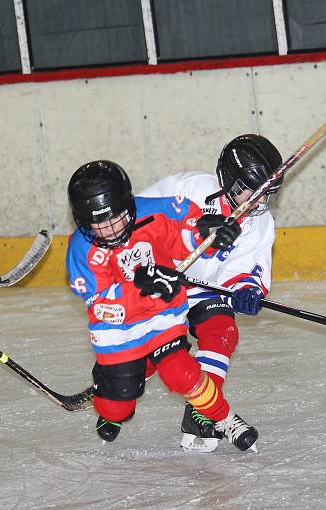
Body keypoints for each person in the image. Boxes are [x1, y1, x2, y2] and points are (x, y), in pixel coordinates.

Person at [66, 160, 258, 453]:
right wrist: (140, 287)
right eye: (98, 224)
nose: (108, 230)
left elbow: (185, 232)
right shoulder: (81, 250)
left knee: (182, 372)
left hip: (163, 314)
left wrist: (207, 233)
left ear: (127, 205)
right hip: (118, 330)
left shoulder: (154, 211)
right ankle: (109, 400)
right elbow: (103, 307)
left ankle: (224, 418)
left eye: (114, 219)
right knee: (118, 406)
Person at [138, 134, 281, 452]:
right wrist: (192, 228)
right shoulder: (190, 188)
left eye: (265, 194)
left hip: (204, 290)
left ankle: (202, 410)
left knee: (222, 330)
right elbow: (137, 218)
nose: (258, 202)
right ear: (229, 179)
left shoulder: (260, 222)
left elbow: (248, 266)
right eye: (251, 192)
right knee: (145, 364)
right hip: (161, 286)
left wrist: (245, 290)